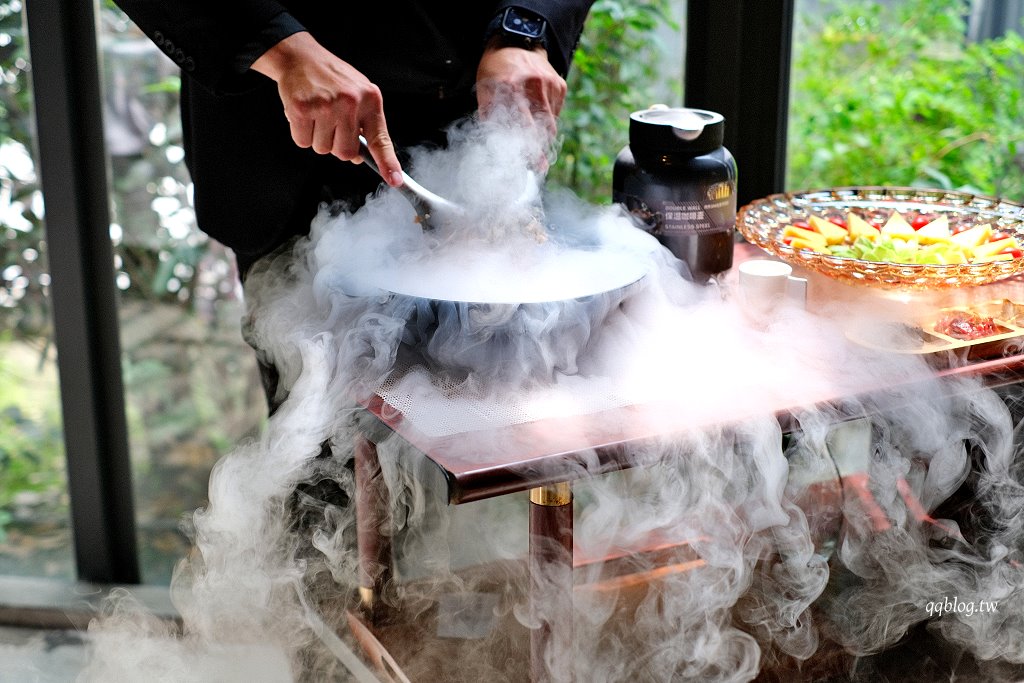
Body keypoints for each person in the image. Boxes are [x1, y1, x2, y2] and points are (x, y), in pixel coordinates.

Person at [109, 2, 595, 279]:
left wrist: (523, 27)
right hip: (291, 141)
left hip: (478, 120)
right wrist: (278, 45)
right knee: (319, 440)